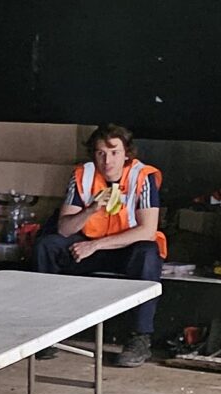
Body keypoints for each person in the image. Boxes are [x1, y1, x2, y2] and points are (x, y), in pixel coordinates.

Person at [32, 124, 164, 366]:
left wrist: (96, 246)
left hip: (125, 248)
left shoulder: (141, 177)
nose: (107, 160)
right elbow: (64, 229)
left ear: (126, 154)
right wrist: (91, 209)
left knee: (148, 253)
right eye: (101, 153)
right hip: (86, 245)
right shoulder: (83, 175)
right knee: (47, 245)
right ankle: (45, 333)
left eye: (114, 152)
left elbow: (147, 230)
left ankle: (139, 338)